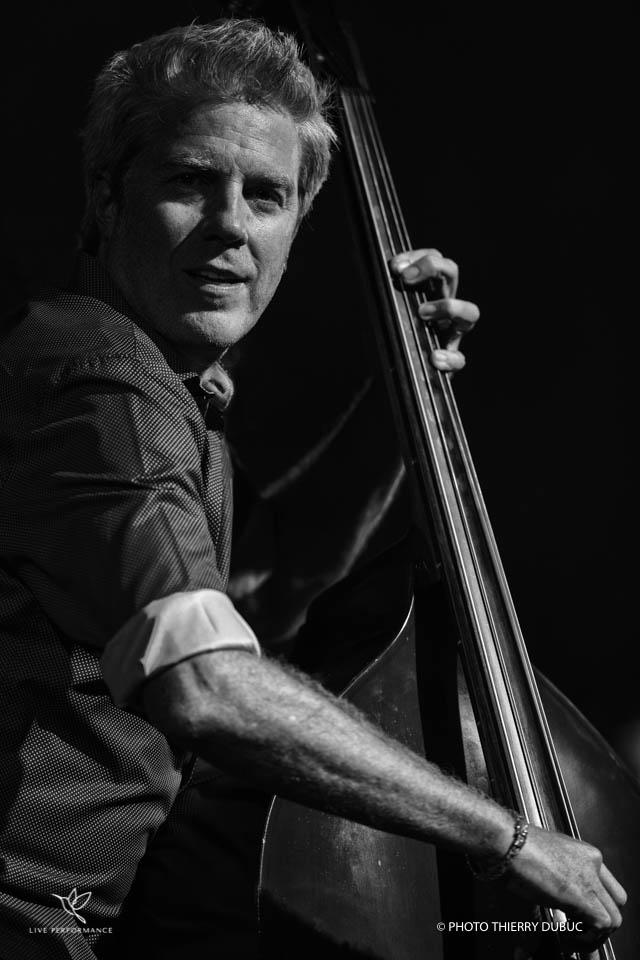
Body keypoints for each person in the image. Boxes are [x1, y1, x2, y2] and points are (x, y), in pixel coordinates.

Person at [0, 17, 626, 960]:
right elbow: (207, 682)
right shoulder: (100, 384)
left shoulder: (165, 392)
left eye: (266, 195)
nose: (230, 226)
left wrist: (402, 391)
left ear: (296, 225)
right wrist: (506, 836)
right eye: (188, 182)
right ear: (105, 197)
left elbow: (273, 582)